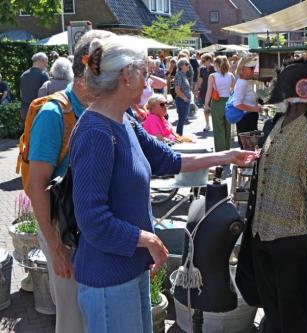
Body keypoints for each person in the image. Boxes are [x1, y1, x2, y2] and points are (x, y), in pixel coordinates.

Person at [69, 35, 257, 332]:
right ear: (125, 75)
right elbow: (92, 220)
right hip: (109, 278)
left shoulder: (125, 120)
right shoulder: (96, 132)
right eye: (144, 72)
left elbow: (167, 160)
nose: (149, 80)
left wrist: (227, 156)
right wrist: (149, 240)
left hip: (130, 269)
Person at [236, 59, 307, 333]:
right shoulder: (274, 125)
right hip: (261, 237)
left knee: (297, 320)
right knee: (273, 314)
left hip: (296, 243)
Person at [27, 29, 115, 333]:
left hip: (90, 234)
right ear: (90, 68)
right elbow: (36, 185)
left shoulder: (102, 108)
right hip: (64, 235)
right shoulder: (54, 114)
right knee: (73, 321)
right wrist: (55, 248)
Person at [204, 55, 235, 152]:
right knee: (227, 128)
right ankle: (227, 150)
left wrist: (206, 105)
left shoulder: (212, 76)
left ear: (217, 64)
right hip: (228, 102)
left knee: (218, 129)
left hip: (217, 103)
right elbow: (234, 91)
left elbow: (209, 92)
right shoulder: (231, 75)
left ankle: (221, 153)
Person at [233, 55, 261, 148]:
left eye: (254, 68)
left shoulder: (244, 81)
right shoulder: (242, 83)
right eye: (251, 68)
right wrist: (254, 109)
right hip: (245, 120)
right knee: (248, 148)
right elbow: (237, 104)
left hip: (248, 118)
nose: (254, 70)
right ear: (243, 68)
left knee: (250, 147)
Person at [20, 52, 49, 123]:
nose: (46, 65)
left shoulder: (23, 75)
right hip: (38, 111)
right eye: (46, 62)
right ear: (40, 60)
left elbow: (21, 95)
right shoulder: (44, 75)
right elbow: (48, 95)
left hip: (25, 111)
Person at [196, 53, 215, 131]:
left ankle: (215, 124)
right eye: (202, 60)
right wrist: (196, 89)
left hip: (213, 90)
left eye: (204, 60)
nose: (202, 62)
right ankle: (207, 124)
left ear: (209, 60)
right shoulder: (202, 69)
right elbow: (200, 80)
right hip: (204, 90)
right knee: (205, 107)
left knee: (213, 108)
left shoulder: (214, 68)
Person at [174, 58, 192, 135]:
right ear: (181, 66)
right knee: (181, 119)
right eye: (186, 64)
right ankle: (178, 135)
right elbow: (177, 90)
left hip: (184, 101)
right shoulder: (179, 75)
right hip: (182, 101)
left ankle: (179, 135)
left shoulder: (183, 74)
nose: (188, 66)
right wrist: (185, 98)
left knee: (182, 119)